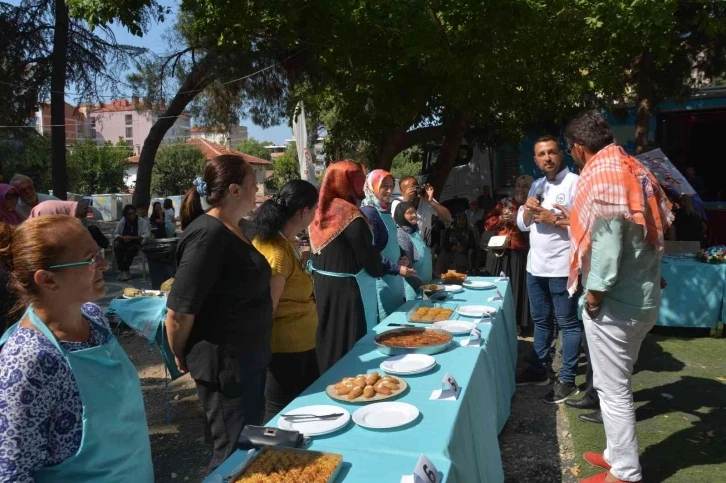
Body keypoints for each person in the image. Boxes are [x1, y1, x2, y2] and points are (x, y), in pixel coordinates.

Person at [0, 216, 153, 482]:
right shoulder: (29, 360)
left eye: (100, 253)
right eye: (91, 259)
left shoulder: (94, 318)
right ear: (47, 280)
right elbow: (12, 474)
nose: (104, 265)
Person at [564, 110, 673, 483]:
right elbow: (652, 232)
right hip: (640, 296)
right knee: (616, 382)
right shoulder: (631, 167)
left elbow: (608, 251)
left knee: (613, 391)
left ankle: (625, 473)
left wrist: (593, 297)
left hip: (616, 303)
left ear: (578, 148)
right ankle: (614, 453)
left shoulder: (603, 176)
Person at [165, 155, 272, 471]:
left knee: (246, 450)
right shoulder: (208, 234)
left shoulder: (236, 228)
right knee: (230, 455)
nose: (258, 191)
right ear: (235, 190)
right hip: (225, 368)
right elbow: (178, 313)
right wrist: (179, 351)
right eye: (254, 184)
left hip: (247, 363)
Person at [515, 135, 582, 404]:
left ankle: (567, 379)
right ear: (536, 160)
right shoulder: (538, 186)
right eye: (541, 154)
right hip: (536, 266)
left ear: (560, 154)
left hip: (562, 267)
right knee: (541, 321)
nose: (547, 158)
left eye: (552, 152)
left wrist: (554, 219)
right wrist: (530, 210)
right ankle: (539, 370)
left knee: (567, 323)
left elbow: (586, 223)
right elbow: (522, 224)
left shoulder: (576, 183)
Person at [308, 161, 388, 372]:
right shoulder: (350, 215)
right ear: (346, 182)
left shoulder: (319, 213)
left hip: (322, 286)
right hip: (347, 291)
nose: (362, 185)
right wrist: (382, 268)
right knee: (349, 343)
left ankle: (326, 380)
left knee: (327, 337)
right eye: (357, 179)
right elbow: (369, 259)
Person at [252, 180, 320, 422]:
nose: (316, 215)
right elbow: (266, 309)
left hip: (300, 345)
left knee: (306, 409)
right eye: (315, 209)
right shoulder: (277, 252)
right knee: (281, 412)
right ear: (304, 212)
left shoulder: (286, 241)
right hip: (284, 350)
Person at [360, 169, 416, 319]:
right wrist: (396, 268)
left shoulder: (384, 210)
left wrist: (403, 255)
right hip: (381, 281)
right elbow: (370, 253)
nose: (390, 190)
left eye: (391, 186)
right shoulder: (368, 213)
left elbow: (391, 241)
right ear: (373, 186)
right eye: (384, 186)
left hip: (395, 280)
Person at [483, 174, 534, 330]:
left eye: (525, 186)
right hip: (499, 251)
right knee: (496, 287)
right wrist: (500, 219)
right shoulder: (504, 203)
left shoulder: (533, 206)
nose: (521, 189)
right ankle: (493, 319)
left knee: (516, 288)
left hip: (519, 252)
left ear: (531, 188)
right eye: (518, 185)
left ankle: (517, 323)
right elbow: (487, 224)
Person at [391, 176, 452, 246]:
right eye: (408, 189)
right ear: (402, 192)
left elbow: (447, 217)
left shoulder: (426, 201)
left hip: (424, 247)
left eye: (414, 186)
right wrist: (406, 200)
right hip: (407, 248)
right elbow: (394, 223)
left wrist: (431, 201)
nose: (412, 191)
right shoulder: (397, 203)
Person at [394, 201, 433, 298]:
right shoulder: (402, 234)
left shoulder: (414, 232)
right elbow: (407, 268)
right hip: (415, 291)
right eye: (409, 213)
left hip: (426, 287)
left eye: (415, 212)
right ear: (401, 215)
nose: (414, 215)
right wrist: (424, 287)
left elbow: (425, 260)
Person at [113, 204, 151, 281]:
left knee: (131, 249)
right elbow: (116, 233)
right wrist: (122, 237)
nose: (132, 215)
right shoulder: (123, 221)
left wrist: (133, 238)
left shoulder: (141, 221)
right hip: (124, 241)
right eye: (129, 214)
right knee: (117, 246)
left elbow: (147, 234)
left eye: (134, 213)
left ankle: (124, 271)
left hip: (136, 242)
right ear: (126, 215)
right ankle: (124, 271)